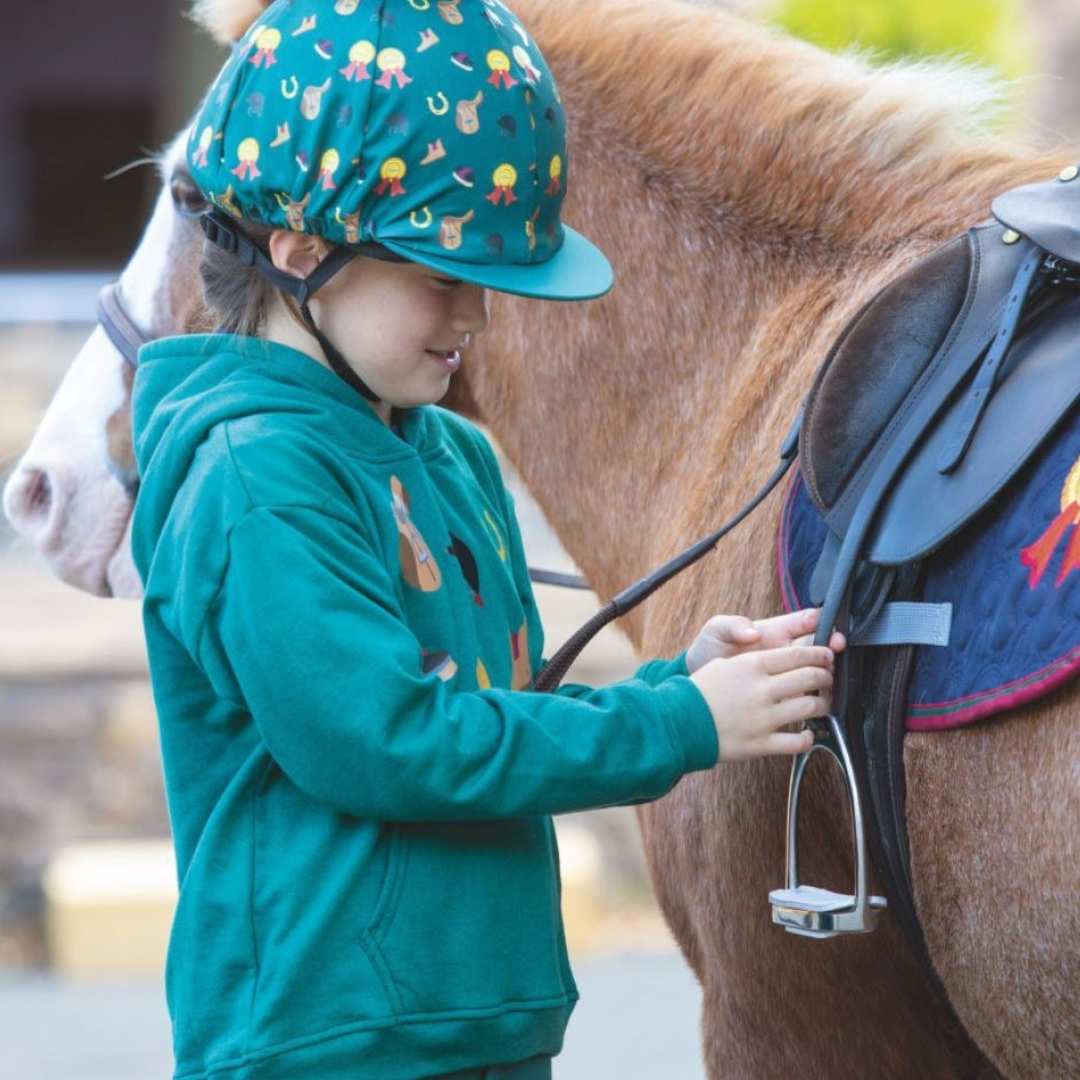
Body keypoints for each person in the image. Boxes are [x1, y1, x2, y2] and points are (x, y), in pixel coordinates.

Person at [130, 2, 840, 1078]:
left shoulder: (448, 460)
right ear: (302, 249)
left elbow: (482, 713)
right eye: (440, 275)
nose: (478, 315)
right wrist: (683, 728)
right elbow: (390, 745)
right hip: (329, 1047)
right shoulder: (256, 477)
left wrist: (673, 686)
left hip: (477, 1027)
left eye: (491, 279)